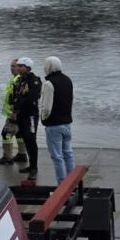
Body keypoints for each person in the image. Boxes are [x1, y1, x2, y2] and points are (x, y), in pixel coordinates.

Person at [41, 55, 74, 184]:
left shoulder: (49, 83)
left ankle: (61, 183)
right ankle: (72, 181)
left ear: (48, 67)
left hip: (54, 124)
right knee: (68, 153)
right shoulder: (68, 80)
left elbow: (46, 107)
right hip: (67, 122)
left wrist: (43, 119)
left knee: (57, 156)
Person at [10, 56, 41, 179]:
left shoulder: (34, 81)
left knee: (31, 139)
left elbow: (31, 98)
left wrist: (18, 106)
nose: (16, 68)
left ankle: (34, 167)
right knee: (26, 140)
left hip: (30, 115)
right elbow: (15, 96)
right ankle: (30, 165)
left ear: (27, 68)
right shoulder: (20, 80)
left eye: (19, 66)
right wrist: (14, 109)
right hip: (21, 115)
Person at [0, 58, 28, 166]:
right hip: (16, 113)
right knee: (19, 133)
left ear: (20, 67)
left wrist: (14, 112)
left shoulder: (18, 80)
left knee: (6, 134)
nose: (12, 68)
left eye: (14, 66)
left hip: (14, 113)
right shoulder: (15, 79)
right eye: (11, 66)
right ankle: (22, 154)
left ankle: (7, 157)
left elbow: (18, 97)